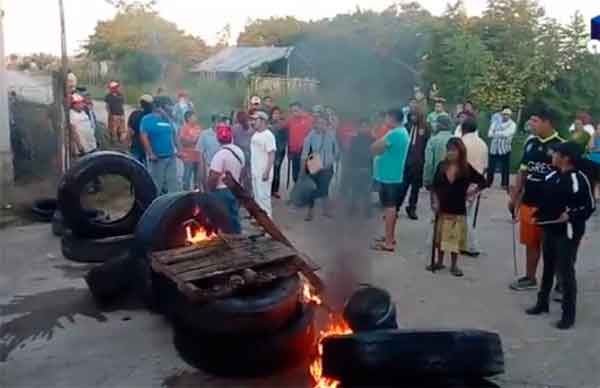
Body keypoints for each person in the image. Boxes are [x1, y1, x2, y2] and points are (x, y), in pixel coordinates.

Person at [525, 142, 596, 329]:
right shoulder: (552, 175)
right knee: (547, 267)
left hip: (569, 232)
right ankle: (542, 303)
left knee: (565, 272)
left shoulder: (579, 179)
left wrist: (570, 215)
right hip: (549, 229)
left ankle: (568, 314)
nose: (553, 156)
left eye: (556, 153)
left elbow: (589, 206)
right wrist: (537, 215)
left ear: (566, 158)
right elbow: (546, 200)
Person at [509, 107, 564, 291]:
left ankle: (560, 284)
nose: (532, 124)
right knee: (530, 242)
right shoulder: (530, 143)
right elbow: (523, 171)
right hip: (529, 202)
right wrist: (514, 197)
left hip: (551, 206)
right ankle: (530, 278)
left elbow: (566, 177)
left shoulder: (560, 146)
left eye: (535, 121)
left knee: (552, 245)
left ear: (547, 122)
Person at [428, 138, 487, 276]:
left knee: (454, 238)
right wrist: (434, 201)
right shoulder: (441, 166)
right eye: (448, 150)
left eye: (453, 150)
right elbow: (434, 186)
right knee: (440, 237)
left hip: (458, 208)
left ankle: (454, 265)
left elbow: (483, 181)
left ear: (460, 152)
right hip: (442, 207)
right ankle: (440, 261)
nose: (450, 153)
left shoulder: (466, 168)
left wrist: (472, 192)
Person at [370, 108, 410, 252]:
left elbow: (374, 147)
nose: (385, 120)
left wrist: (377, 141)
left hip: (389, 176)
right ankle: (389, 237)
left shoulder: (395, 133)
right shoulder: (402, 131)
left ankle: (388, 242)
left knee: (389, 208)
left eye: (386, 117)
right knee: (390, 208)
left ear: (392, 118)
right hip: (392, 175)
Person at [207, 124, 246, 234]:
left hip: (221, 191)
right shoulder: (239, 151)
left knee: (222, 220)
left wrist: (210, 189)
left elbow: (214, 176)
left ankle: (226, 242)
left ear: (218, 139)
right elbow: (243, 171)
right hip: (235, 189)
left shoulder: (220, 155)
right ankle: (238, 239)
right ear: (231, 137)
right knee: (234, 218)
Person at [301, 114, 340, 221]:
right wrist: (303, 169)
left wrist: (331, 160)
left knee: (324, 188)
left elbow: (336, 150)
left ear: (327, 125)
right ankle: (310, 211)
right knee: (313, 187)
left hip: (327, 167)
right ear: (315, 124)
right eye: (318, 123)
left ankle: (326, 210)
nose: (321, 125)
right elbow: (304, 153)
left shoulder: (331, 135)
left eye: (323, 123)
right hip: (314, 165)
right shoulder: (311, 135)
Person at [459, 118, 489, 256]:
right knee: (467, 213)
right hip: (477, 183)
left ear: (463, 129)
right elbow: (485, 167)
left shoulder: (461, 143)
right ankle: (463, 242)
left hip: (463, 182)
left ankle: (472, 246)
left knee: (463, 215)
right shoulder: (483, 144)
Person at [140, 103, 181, 194]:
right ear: (158, 108)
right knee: (157, 184)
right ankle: (154, 203)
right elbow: (144, 136)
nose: (169, 109)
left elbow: (174, 135)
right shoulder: (147, 119)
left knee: (172, 183)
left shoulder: (168, 120)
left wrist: (179, 150)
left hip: (170, 156)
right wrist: (150, 153)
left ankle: (172, 204)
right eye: (167, 107)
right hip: (157, 158)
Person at [398, 107, 430, 220]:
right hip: (406, 161)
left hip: (418, 162)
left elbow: (427, 144)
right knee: (402, 187)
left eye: (415, 116)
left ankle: (412, 208)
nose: (413, 118)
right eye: (411, 116)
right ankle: (396, 207)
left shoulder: (425, 127)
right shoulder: (406, 127)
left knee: (415, 188)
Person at [344, 118, 373, 217]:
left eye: (366, 126)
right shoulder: (354, 139)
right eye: (362, 126)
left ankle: (367, 211)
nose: (364, 128)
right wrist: (349, 167)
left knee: (367, 191)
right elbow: (350, 154)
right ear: (358, 128)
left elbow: (374, 155)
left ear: (369, 128)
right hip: (355, 168)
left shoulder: (373, 139)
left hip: (368, 168)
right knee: (354, 190)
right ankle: (352, 208)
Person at [250, 111, 277, 218]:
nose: (253, 122)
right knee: (257, 198)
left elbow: (272, 154)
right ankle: (260, 221)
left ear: (262, 121)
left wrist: (266, 171)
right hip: (255, 172)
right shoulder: (256, 134)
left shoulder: (268, 135)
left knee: (264, 198)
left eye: (255, 120)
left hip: (263, 172)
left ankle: (268, 223)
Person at [488, 107, 516, 190]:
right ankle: (488, 182)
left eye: (507, 115)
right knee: (491, 167)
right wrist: (500, 134)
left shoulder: (512, 124)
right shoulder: (495, 122)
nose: (505, 116)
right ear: (501, 114)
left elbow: (507, 134)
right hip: (494, 148)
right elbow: (489, 134)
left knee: (505, 168)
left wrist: (496, 133)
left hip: (505, 149)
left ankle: (504, 184)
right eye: (504, 114)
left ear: (510, 115)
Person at [423, 115, 454, 190]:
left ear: (439, 125)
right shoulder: (457, 139)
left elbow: (429, 163)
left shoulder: (433, 141)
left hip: (437, 179)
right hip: (453, 179)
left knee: (436, 201)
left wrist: (427, 180)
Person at [285, 102, 314, 183]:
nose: (294, 113)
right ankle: (298, 190)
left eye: (296, 110)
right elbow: (281, 127)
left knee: (309, 174)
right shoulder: (290, 120)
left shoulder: (310, 119)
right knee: (295, 175)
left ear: (301, 109)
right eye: (292, 111)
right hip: (295, 151)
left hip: (308, 151)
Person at [179, 111, 203, 191]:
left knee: (197, 176)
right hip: (188, 156)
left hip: (198, 155)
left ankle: (197, 191)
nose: (195, 118)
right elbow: (183, 141)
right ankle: (185, 192)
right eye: (193, 116)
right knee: (187, 175)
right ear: (188, 118)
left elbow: (202, 140)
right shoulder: (184, 128)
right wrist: (194, 140)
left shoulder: (198, 127)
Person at [128, 94, 154, 164]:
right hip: (149, 146)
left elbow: (130, 131)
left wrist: (129, 142)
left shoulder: (134, 114)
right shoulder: (151, 116)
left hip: (136, 145)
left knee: (135, 167)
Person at [233, 111, 255, 194]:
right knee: (248, 177)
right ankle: (248, 194)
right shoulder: (251, 129)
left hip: (238, 155)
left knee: (238, 176)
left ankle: (237, 194)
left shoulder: (234, 128)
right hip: (248, 154)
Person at [70, 93, 98, 158]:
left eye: (82, 102)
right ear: (74, 104)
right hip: (83, 148)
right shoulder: (71, 114)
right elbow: (73, 132)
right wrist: (79, 145)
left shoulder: (83, 112)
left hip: (92, 145)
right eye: (79, 103)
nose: (81, 105)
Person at [270, 107, 288, 198]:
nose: (276, 115)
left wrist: (280, 151)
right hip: (269, 152)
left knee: (276, 170)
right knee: (269, 170)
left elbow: (285, 140)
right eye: (274, 113)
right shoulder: (268, 125)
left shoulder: (283, 126)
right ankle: (268, 189)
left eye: (277, 113)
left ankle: (275, 190)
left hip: (279, 152)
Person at [588, 123, 600, 200]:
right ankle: (595, 194)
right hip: (594, 159)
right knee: (595, 178)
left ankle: (596, 193)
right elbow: (591, 147)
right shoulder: (594, 136)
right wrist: (593, 135)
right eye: (598, 128)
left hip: (596, 157)